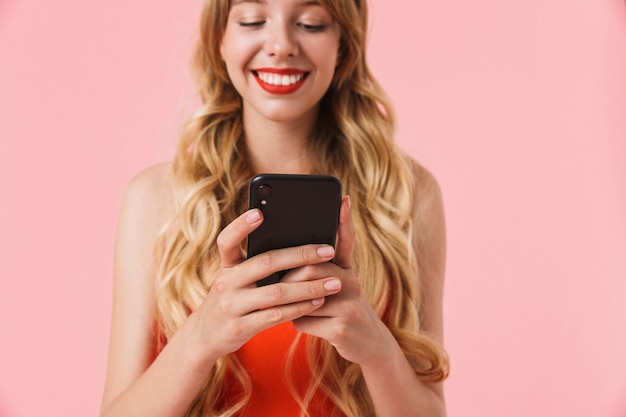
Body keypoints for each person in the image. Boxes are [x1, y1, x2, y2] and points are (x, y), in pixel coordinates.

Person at [100, 0, 450, 415]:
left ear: (344, 46)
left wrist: (377, 351)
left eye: (310, 23)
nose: (281, 45)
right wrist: (199, 341)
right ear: (220, 41)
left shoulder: (406, 196)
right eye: (252, 20)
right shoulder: (154, 199)